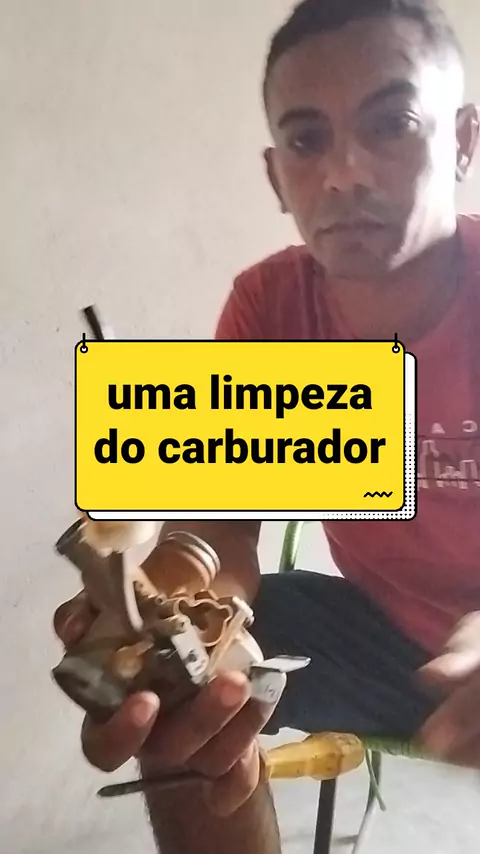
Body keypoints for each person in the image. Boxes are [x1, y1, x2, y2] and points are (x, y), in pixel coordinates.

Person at [53, 1, 480, 852]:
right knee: (173, 690)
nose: (344, 173)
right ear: (276, 175)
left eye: (391, 124)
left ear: (465, 140)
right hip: (381, 635)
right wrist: (179, 615)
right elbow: (223, 531)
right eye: (307, 139)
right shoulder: (271, 308)